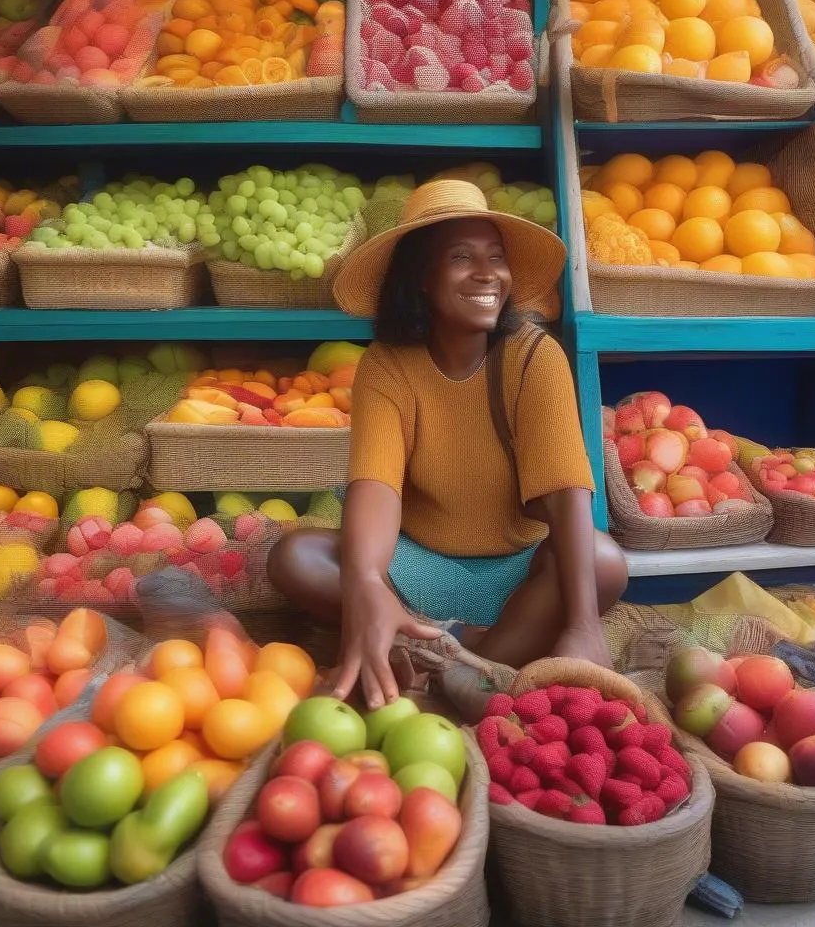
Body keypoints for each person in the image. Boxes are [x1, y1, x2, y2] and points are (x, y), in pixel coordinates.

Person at [268, 180, 627, 710]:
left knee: (603, 563)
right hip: (413, 564)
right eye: (461, 258)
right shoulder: (386, 367)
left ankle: (445, 674)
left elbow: (566, 489)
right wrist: (367, 581)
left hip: (514, 567)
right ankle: (459, 650)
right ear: (421, 281)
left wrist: (583, 626)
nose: (487, 274)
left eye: (496, 258)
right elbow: (377, 484)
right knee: (295, 556)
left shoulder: (535, 357)